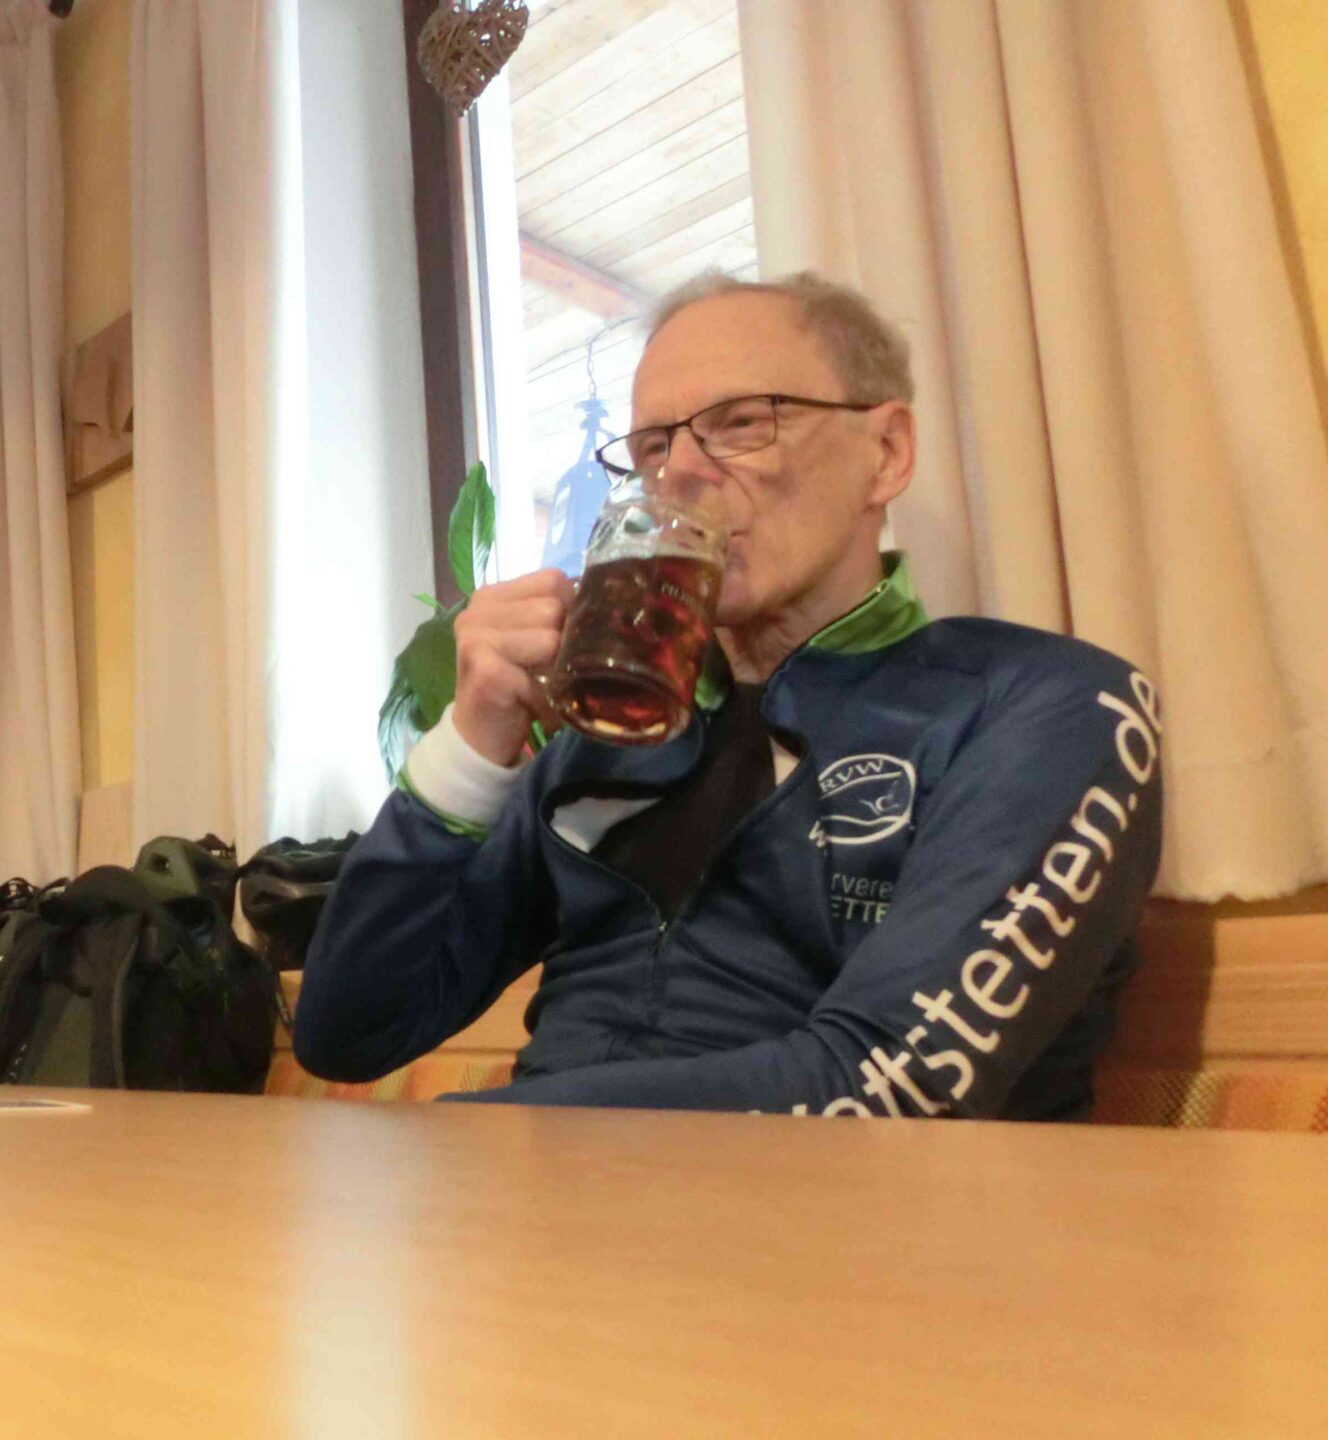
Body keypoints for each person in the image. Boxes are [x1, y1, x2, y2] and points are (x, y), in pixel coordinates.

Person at [295, 273, 1164, 1120]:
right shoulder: (606, 740)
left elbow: (892, 1081)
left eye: (742, 423)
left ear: (886, 453)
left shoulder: (1042, 707)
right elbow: (347, 1032)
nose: (678, 473)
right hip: (539, 1195)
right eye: (652, 447)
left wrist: (489, 1137)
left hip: (830, 1212)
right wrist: (471, 740)